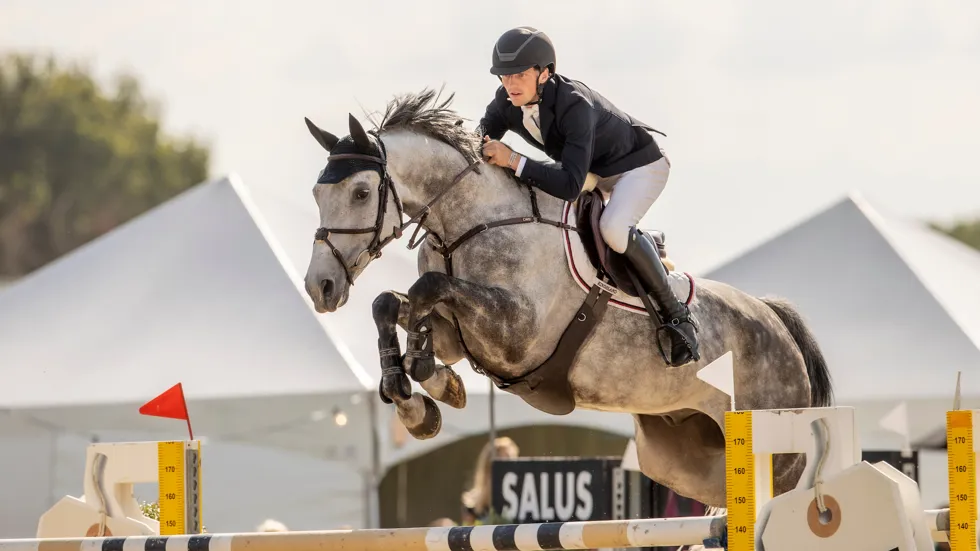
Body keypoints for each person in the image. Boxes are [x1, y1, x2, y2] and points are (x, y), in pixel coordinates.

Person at [477, 26, 699, 367]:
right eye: (505, 77)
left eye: (519, 75)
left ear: (545, 72)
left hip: (639, 168)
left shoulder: (575, 105)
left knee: (612, 228)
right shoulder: (506, 100)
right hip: (592, 171)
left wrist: (513, 160)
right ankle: (644, 242)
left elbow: (568, 185)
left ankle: (677, 314)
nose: (510, 85)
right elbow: (478, 138)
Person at [460, 436, 520, 525]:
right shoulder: (471, 506)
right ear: (487, 467)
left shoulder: (522, 503)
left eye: (511, 460)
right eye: (502, 461)